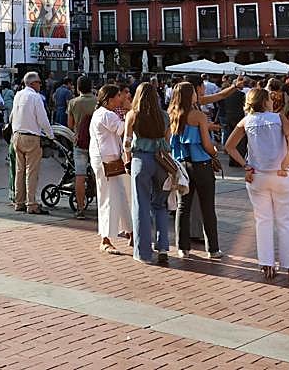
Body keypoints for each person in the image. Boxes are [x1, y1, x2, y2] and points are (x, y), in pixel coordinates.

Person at [224, 84, 289, 281]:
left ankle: (267, 264)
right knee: (286, 221)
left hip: (256, 175)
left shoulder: (246, 120)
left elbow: (229, 146)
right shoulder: (279, 118)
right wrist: (286, 162)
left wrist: (246, 165)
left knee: (263, 221)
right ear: (265, 101)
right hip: (280, 174)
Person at [167, 81, 222, 259]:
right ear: (189, 95)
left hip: (182, 165)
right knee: (207, 207)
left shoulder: (172, 114)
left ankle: (183, 248)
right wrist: (214, 152)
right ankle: (213, 249)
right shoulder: (198, 115)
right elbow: (206, 144)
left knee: (183, 207)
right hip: (201, 165)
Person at [124, 81, 171, 265]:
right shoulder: (164, 116)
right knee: (160, 204)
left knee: (141, 205)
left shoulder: (133, 115)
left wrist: (127, 160)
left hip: (141, 159)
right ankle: (163, 247)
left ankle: (143, 252)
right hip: (161, 162)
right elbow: (167, 141)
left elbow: (127, 143)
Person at [89, 83, 132, 254]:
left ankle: (130, 231)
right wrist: (130, 111)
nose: (120, 99)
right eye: (118, 96)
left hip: (108, 160)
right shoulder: (107, 114)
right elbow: (123, 130)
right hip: (107, 162)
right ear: (109, 99)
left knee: (119, 195)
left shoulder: (102, 113)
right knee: (109, 198)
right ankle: (105, 239)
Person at [11, 71, 54, 214]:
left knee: (19, 170)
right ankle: (31, 204)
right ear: (32, 83)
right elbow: (43, 119)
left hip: (17, 135)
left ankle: (19, 202)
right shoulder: (35, 97)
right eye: (39, 82)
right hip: (31, 137)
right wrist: (50, 135)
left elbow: (12, 116)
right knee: (31, 171)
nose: (41, 85)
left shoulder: (18, 95)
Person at [67, 75, 97, 219]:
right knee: (98, 175)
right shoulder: (98, 101)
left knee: (80, 176)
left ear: (78, 87)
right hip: (96, 143)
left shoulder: (73, 102)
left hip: (80, 143)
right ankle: (101, 207)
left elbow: (70, 124)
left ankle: (80, 208)